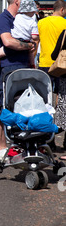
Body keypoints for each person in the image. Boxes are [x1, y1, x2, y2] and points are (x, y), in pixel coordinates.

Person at [0, 0, 35, 159]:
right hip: (9, 67)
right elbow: (8, 42)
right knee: (6, 106)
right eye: (25, 0)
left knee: (24, 105)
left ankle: (21, 144)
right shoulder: (4, 19)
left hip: (23, 66)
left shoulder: (23, 18)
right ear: (17, 1)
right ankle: (2, 147)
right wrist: (28, 46)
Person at [0, 0, 39, 75]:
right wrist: (34, 39)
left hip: (14, 40)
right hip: (26, 41)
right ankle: (32, 65)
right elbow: (34, 37)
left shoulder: (16, 17)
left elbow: (8, 42)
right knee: (30, 53)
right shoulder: (33, 22)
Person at [38, 0, 66, 94]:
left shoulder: (41, 23)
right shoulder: (64, 23)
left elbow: (36, 42)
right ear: (62, 9)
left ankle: (46, 108)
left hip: (44, 62)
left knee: (44, 92)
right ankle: (57, 108)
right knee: (60, 92)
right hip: (61, 64)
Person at [51, 29, 66, 158]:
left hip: (65, 79)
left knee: (63, 113)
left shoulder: (65, 32)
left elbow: (54, 54)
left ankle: (48, 138)